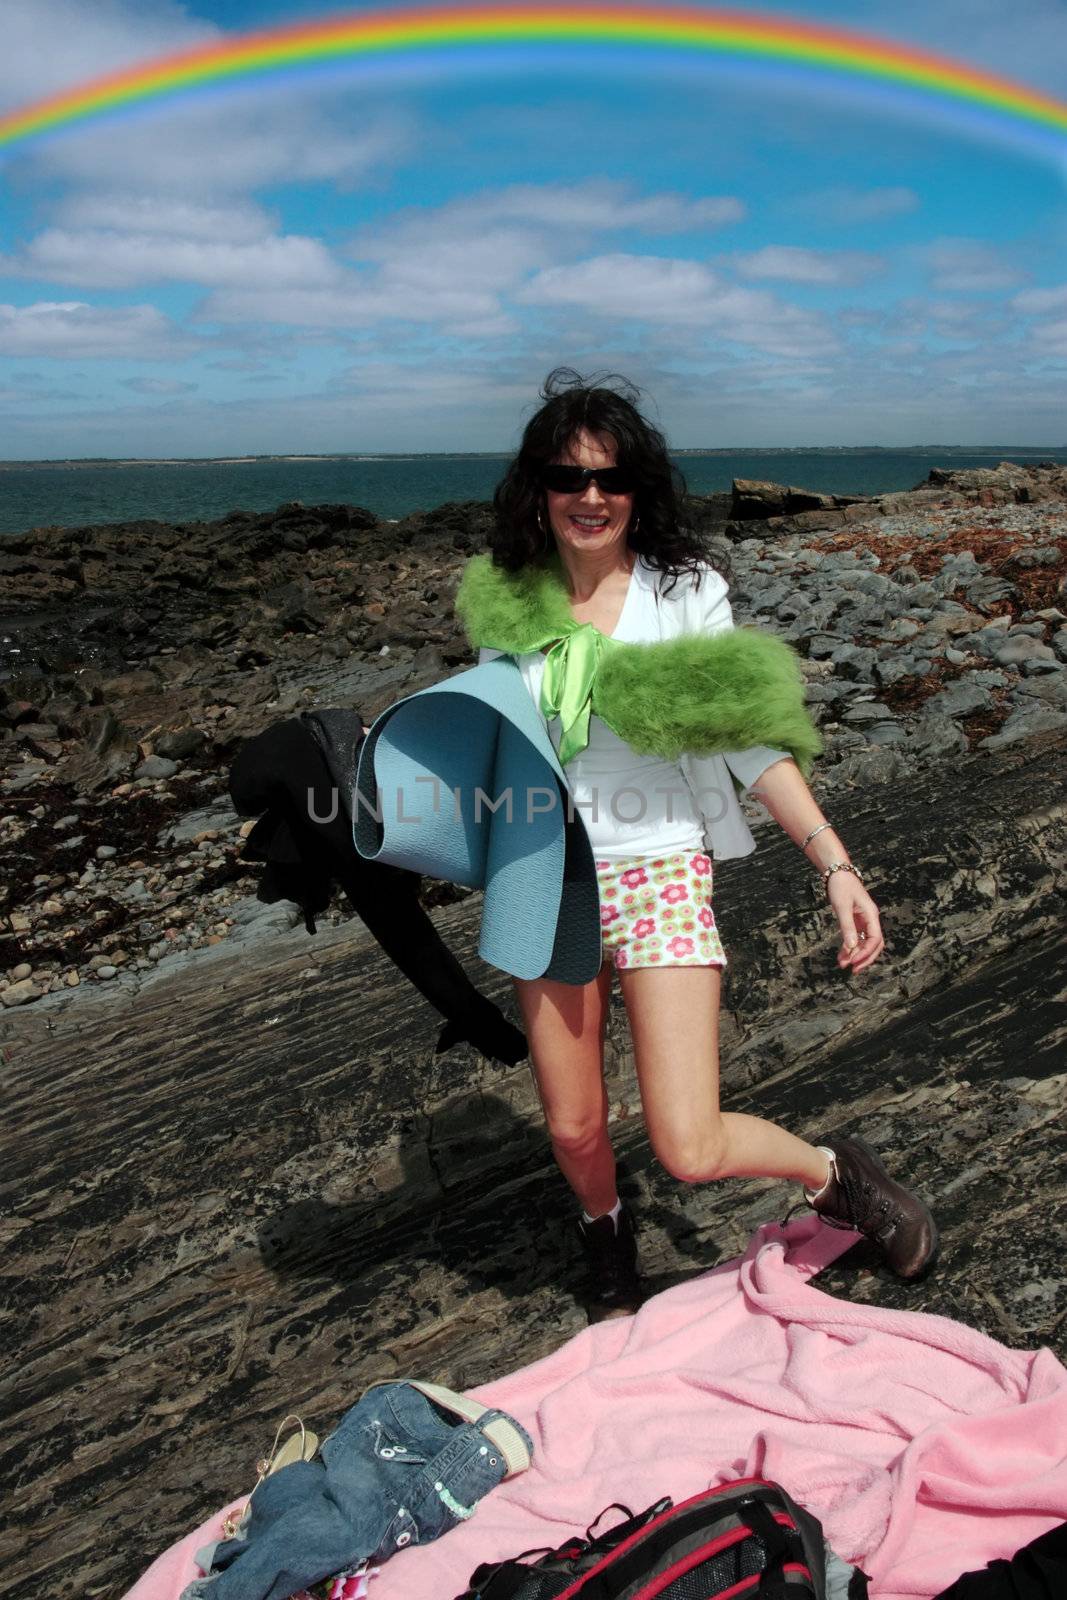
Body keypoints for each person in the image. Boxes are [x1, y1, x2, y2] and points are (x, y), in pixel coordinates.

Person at [455, 368, 938, 1321]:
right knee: (575, 1124)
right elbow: (487, 740)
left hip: (661, 862)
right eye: (567, 478)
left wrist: (833, 861)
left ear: (640, 489)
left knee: (688, 1143)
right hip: (542, 872)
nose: (590, 498)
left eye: (613, 478)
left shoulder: (683, 592)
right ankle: (606, 1235)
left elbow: (751, 735)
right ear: (536, 489)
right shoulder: (508, 607)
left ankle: (835, 1175)